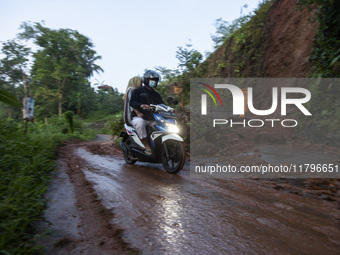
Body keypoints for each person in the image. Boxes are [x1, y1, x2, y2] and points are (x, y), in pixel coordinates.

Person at [130, 70, 165, 154]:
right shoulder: (137, 91)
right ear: (146, 80)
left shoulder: (156, 94)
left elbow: (162, 105)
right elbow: (132, 102)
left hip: (153, 118)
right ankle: (146, 145)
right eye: (152, 80)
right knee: (140, 123)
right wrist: (141, 105)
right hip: (139, 117)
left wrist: (171, 109)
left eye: (156, 81)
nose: (154, 82)